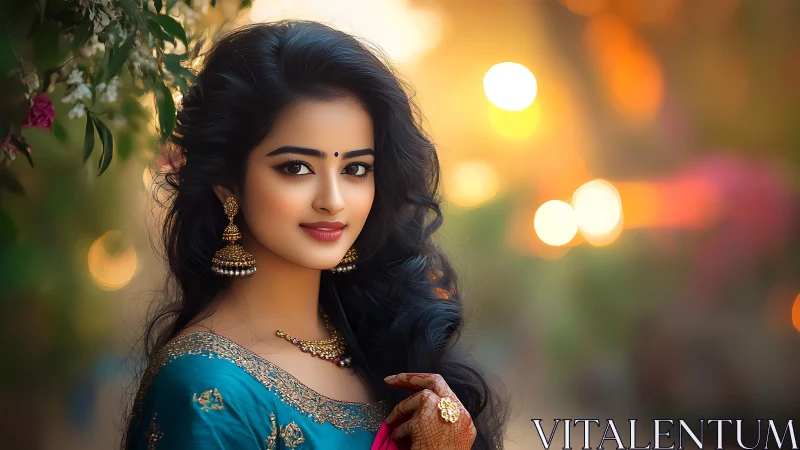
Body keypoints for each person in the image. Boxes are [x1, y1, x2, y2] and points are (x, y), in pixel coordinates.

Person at [122, 19, 509, 450]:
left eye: (356, 169)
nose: (333, 200)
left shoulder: (376, 346)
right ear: (227, 181)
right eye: (296, 167)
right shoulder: (205, 392)